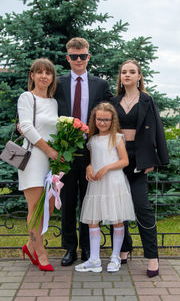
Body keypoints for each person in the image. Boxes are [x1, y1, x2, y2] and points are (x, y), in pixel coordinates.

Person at [54, 37, 113, 266]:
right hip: (66, 152)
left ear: (89, 57)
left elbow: (114, 112)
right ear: (68, 58)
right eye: (74, 56)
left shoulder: (100, 84)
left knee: (90, 202)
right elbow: (41, 105)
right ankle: (70, 248)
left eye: (83, 56)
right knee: (68, 202)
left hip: (92, 153)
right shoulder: (57, 83)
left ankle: (89, 249)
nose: (79, 60)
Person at [111, 59, 169, 277]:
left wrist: (154, 160)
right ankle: (124, 249)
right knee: (117, 208)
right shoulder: (114, 101)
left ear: (139, 76)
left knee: (142, 208)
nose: (127, 75)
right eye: (124, 72)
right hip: (117, 157)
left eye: (132, 71)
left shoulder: (147, 100)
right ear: (120, 77)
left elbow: (157, 131)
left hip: (139, 159)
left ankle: (152, 257)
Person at [75, 102, 135, 273]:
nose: (102, 122)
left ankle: (115, 257)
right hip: (97, 183)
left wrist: (107, 167)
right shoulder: (92, 139)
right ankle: (94, 260)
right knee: (93, 220)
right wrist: (89, 167)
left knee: (116, 220)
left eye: (106, 119)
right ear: (94, 119)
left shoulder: (116, 137)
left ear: (112, 120)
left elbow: (125, 161)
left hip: (114, 182)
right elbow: (92, 160)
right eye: (99, 119)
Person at [18, 58, 61, 271]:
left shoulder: (53, 102)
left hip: (51, 161)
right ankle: (41, 254)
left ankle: (29, 245)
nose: (44, 76)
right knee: (35, 209)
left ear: (52, 78)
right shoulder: (27, 97)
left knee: (49, 208)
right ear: (32, 75)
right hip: (33, 157)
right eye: (39, 72)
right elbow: (26, 126)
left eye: (48, 72)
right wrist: (48, 150)